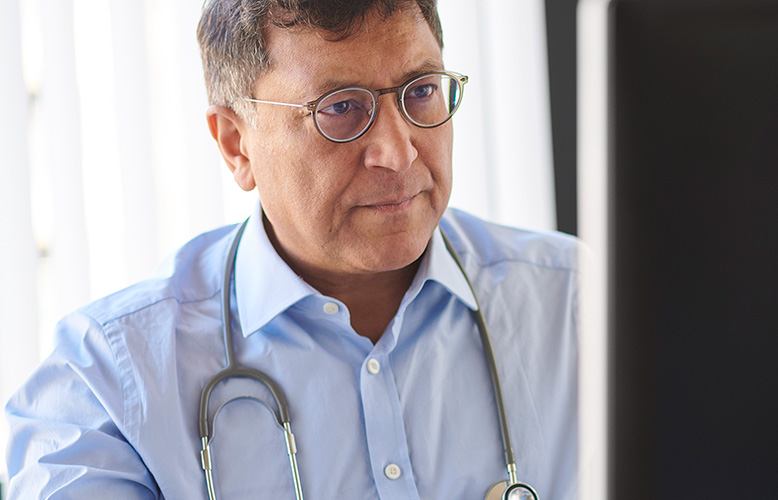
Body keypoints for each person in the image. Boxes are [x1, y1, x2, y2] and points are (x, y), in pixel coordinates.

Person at [4, 0, 579, 498]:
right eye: (340, 109)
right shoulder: (105, 386)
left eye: (421, 91)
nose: (398, 153)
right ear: (236, 145)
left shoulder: (588, 306)